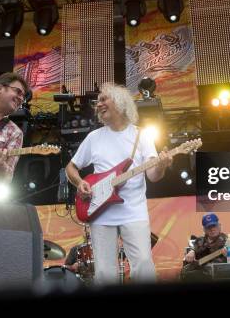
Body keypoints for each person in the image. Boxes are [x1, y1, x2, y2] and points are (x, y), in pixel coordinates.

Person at [65, 82, 172, 285]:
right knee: (105, 272)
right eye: (98, 101)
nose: (98, 104)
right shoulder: (93, 138)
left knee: (143, 265)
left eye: (104, 99)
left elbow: (153, 175)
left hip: (134, 211)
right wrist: (80, 183)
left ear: (121, 102)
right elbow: (70, 168)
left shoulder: (141, 135)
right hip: (100, 211)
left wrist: (163, 165)